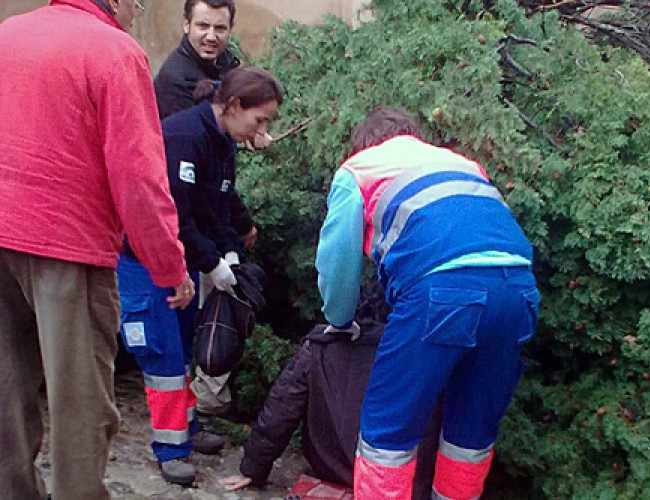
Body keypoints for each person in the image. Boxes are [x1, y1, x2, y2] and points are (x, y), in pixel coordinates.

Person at [0, 0, 195, 498]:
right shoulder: (114, 52)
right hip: (69, 249)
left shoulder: (7, 34)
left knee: (6, 394)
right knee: (79, 407)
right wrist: (169, 266)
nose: (138, 9)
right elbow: (139, 179)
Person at [314, 107, 540, 499]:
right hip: (518, 291)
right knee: (470, 433)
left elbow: (338, 260)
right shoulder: (463, 164)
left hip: (442, 293)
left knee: (388, 432)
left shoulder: (358, 170)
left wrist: (340, 317)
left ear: (363, 144)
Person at [117, 65, 283, 485]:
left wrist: (228, 249)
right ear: (232, 106)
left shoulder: (222, 140)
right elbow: (178, 215)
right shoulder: (182, 137)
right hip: (145, 261)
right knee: (164, 355)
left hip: (181, 260)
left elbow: (219, 204)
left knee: (186, 347)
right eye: (259, 119)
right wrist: (212, 262)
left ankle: (188, 427)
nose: (262, 130)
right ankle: (170, 448)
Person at [152, 0, 269, 416]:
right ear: (186, 24)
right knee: (176, 335)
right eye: (202, 25)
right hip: (173, 228)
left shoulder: (226, 67)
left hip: (202, 221)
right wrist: (217, 255)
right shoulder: (176, 84)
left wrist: (231, 238)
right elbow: (191, 192)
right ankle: (191, 412)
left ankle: (196, 409)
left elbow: (219, 174)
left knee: (205, 313)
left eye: (220, 27)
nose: (211, 36)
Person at [220, 282, 439, 500]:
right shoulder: (430, 355)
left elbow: (282, 406)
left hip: (333, 470)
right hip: (402, 480)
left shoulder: (321, 344)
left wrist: (253, 467)